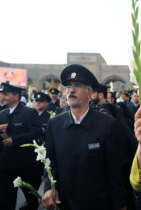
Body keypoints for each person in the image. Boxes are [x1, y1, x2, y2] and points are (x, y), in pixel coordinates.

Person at [41, 64, 135, 210]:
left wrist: (120, 203)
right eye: (68, 87)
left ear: (90, 93)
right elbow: (50, 162)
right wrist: (48, 188)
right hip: (65, 203)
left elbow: (115, 170)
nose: (71, 90)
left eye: (77, 86)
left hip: (98, 203)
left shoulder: (108, 124)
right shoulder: (54, 124)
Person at [0, 82, 42, 210]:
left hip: (25, 165)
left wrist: (15, 140)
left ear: (16, 96)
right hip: (5, 165)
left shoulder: (29, 112)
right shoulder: (2, 114)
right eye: (2, 94)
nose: (2, 97)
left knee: (31, 199)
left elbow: (36, 133)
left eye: (6, 94)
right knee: (6, 200)